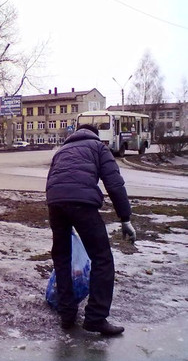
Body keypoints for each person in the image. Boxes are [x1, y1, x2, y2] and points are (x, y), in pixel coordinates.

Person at [45, 124, 136, 336]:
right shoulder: (98, 147)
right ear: (95, 134)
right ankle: (96, 317)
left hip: (55, 203)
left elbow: (51, 181)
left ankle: (67, 314)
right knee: (102, 258)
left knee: (62, 257)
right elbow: (114, 183)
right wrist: (125, 218)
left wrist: (60, 211)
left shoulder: (62, 151)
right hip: (82, 204)